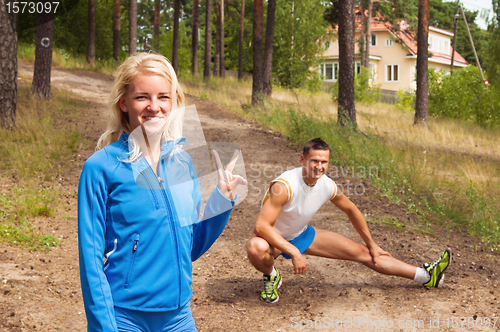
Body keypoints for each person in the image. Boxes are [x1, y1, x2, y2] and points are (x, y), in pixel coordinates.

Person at [78, 53, 247, 331]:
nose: (154, 107)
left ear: (174, 103)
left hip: (178, 318)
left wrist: (221, 200)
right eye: (142, 97)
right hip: (123, 319)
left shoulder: (184, 162)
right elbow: (91, 262)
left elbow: (190, 246)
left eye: (163, 97)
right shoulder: (100, 167)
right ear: (123, 103)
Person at [246, 138, 451, 303]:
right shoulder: (284, 185)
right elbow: (261, 226)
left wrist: (372, 244)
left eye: (324, 162)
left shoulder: (326, 185)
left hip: (301, 234)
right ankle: (271, 275)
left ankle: (426, 276)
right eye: (314, 161)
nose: (319, 166)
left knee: (365, 253)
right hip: (273, 240)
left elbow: (352, 210)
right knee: (255, 247)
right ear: (302, 159)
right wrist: (293, 251)